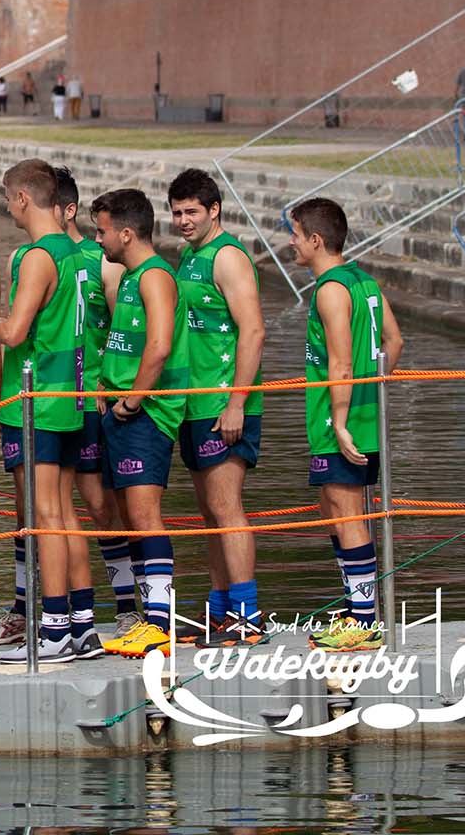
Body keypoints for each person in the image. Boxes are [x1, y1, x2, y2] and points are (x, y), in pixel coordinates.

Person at [0, 159, 91, 664]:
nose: (7, 208)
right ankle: (82, 627)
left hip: (40, 400)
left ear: (23, 198)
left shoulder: (39, 256)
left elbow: (15, 332)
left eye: (7, 198)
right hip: (70, 397)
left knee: (46, 517)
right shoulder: (75, 251)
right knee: (63, 513)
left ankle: (56, 629)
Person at [289, 197, 402, 653]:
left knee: (347, 514)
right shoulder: (364, 281)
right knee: (334, 510)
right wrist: (373, 394)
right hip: (364, 416)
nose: (291, 242)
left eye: (296, 234)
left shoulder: (331, 289)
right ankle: (358, 609)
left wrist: (340, 420)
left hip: (339, 420)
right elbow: (394, 341)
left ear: (316, 240)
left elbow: (340, 362)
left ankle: (363, 622)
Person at [169, 169, 267, 645]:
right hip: (194, 403)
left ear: (215, 210)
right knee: (210, 512)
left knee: (228, 508)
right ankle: (219, 610)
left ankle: (248, 616)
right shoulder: (189, 256)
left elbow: (254, 330)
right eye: (177, 213)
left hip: (224, 403)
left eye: (192, 211)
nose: (183, 220)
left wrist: (237, 402)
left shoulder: (227, 257)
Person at [89, 188, 188, 658]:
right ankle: (146, 619)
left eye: (102, 231)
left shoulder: (155, 277)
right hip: (120, 410)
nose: (98, 239)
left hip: (146, 414)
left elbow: (160, 345)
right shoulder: (129, 277)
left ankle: (161, 625)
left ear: (127, 233)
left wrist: (133, 399)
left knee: (146, 516)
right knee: (129, 518)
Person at [53, 167, 137, 637]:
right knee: (46, 511)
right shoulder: (33, 258)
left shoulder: (103, 259)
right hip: (51, 402)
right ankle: (47, 611)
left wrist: (111, 386)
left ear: (67, 210)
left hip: (95, 402)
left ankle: (127, 606)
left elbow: (124, 329)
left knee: (104, 508)